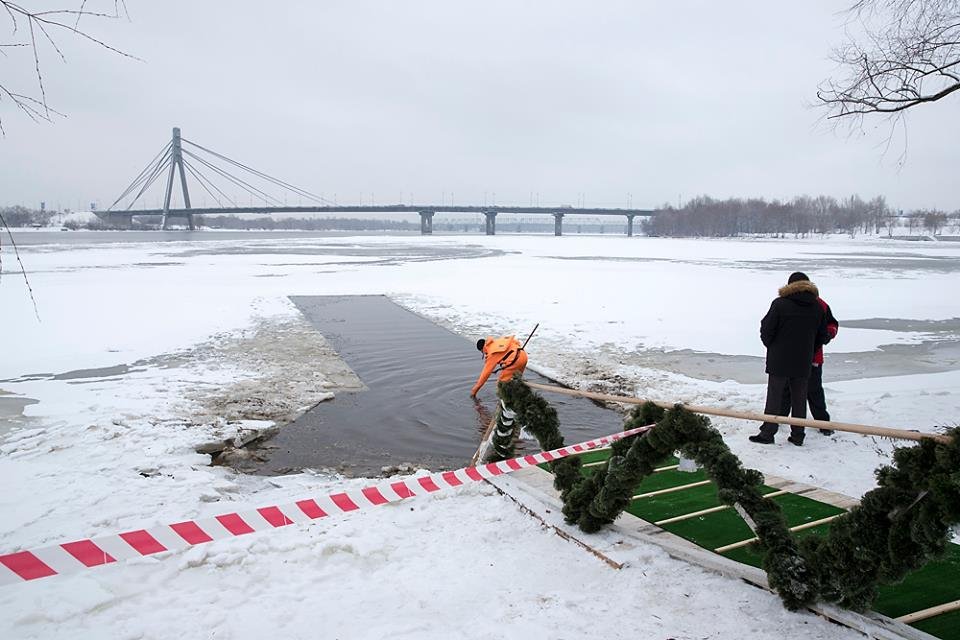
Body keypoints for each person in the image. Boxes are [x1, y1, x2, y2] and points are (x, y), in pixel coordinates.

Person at [749, 272, 830, 446]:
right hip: (803, 361)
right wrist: (809, 350)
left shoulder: (780, 304)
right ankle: (798, 435)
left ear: (789, 286)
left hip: (779, 359)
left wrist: (772, 347)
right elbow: (823, 335)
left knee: (774, 397)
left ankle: (768, 433)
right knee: (799, 399)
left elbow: (766, 329)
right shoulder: (817, 307)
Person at [780, 289, 839, 436]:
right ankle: (779, 417)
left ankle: (822, 423)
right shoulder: (785, 303)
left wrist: (826, 336)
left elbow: (832, 325)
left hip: (808, 357)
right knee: (787, 389)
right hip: (791, 356)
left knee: (813, 390)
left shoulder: (819, 305)